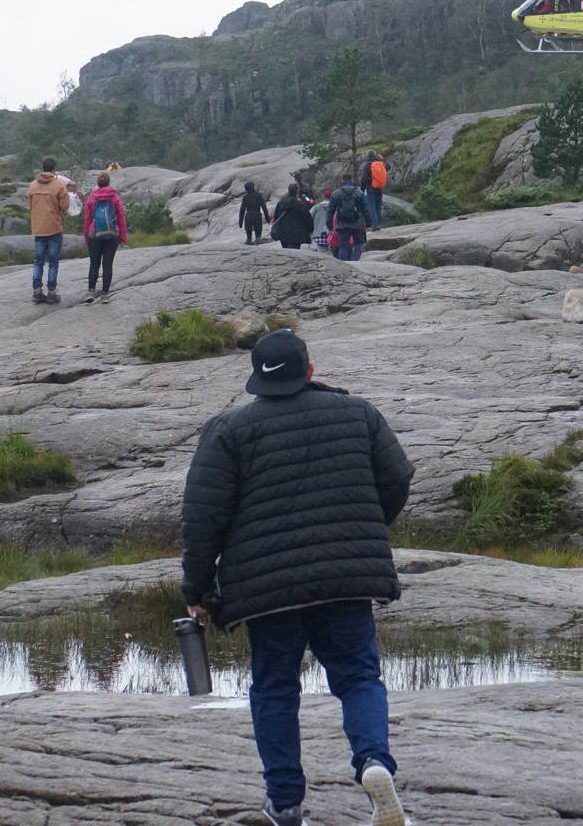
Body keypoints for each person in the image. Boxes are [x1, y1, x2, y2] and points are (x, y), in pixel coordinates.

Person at [181, 329, 414, 826]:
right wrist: (364, 529)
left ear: (256, 380)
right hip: (347, 578)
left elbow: (203, 517)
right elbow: (397, 478)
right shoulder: (359, 413)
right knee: (358, 677)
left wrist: (197, 589)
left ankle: (285, 804)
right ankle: (374, 762)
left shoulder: (228, 430)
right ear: (309, 371)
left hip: (268, 591)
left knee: (275, 688)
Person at [28, 157, 72, 304]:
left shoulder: (33, 185)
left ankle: (37, 292)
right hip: (54, 228)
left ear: (43, 168)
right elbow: (65, 207)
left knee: (38, 261)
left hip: (38, 228)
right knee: (53, 262)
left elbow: (30, 206)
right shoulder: (58, 185)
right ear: (55, 168)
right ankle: (52, 293)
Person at [81, 171, 128, 303]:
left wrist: (86, 237)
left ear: (98, 183)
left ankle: (91, 291)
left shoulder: (92, 198)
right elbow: (121, 218)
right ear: (108, 183)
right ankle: (105, 295)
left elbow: (87, 219)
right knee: (107, 265)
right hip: (112, 234)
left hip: (94, 234)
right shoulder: (115, 198)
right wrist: (123, 237)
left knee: (94, 264)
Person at [328, 178, 369, 261]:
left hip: (341, 224)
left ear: (342, 182)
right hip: (358, 223)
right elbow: (366, 209)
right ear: (352, 182)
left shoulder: (336, 193)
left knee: (343, 246)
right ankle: (354, 261)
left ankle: (344, 265)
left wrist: (329, 225)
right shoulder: (359, 192)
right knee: (359, 243)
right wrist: (369, 223)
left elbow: (330, 210)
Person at [271, 184, 314, 251]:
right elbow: (307, 217)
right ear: (297, 191)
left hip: (283, 233)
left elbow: (276, 217)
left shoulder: (280, 203)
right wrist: (311, 229)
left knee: (285, 251)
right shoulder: (300, 204)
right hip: (296, 234)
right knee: (294, 252)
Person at [238, 181, 270, 246]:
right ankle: (258, 240)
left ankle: (249, 240)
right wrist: (267, 218)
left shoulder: (245, 197)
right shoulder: (259, 195)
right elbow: (264, 207)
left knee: (248, 230)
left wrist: (240, 222)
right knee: (258, 230)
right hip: (257, 214)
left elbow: (242, 210)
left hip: (248, 215)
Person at [365, 151, 388, 228]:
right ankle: (379, 223)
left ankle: (375, 224)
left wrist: (362, 189)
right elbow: (388, 167)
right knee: (378, 206)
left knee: (372, 206)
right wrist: (382, 159)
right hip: (380, 187)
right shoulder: (381, 165)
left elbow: (364, 179)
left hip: (371, 187)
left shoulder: (367, 166)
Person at [310, 189, 333, 253]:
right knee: (333, 255)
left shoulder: (316, 207)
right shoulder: (334, 207)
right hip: (332, 234)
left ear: (323, 197)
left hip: (319, 234)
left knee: (322, 254)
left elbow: (309, 216)